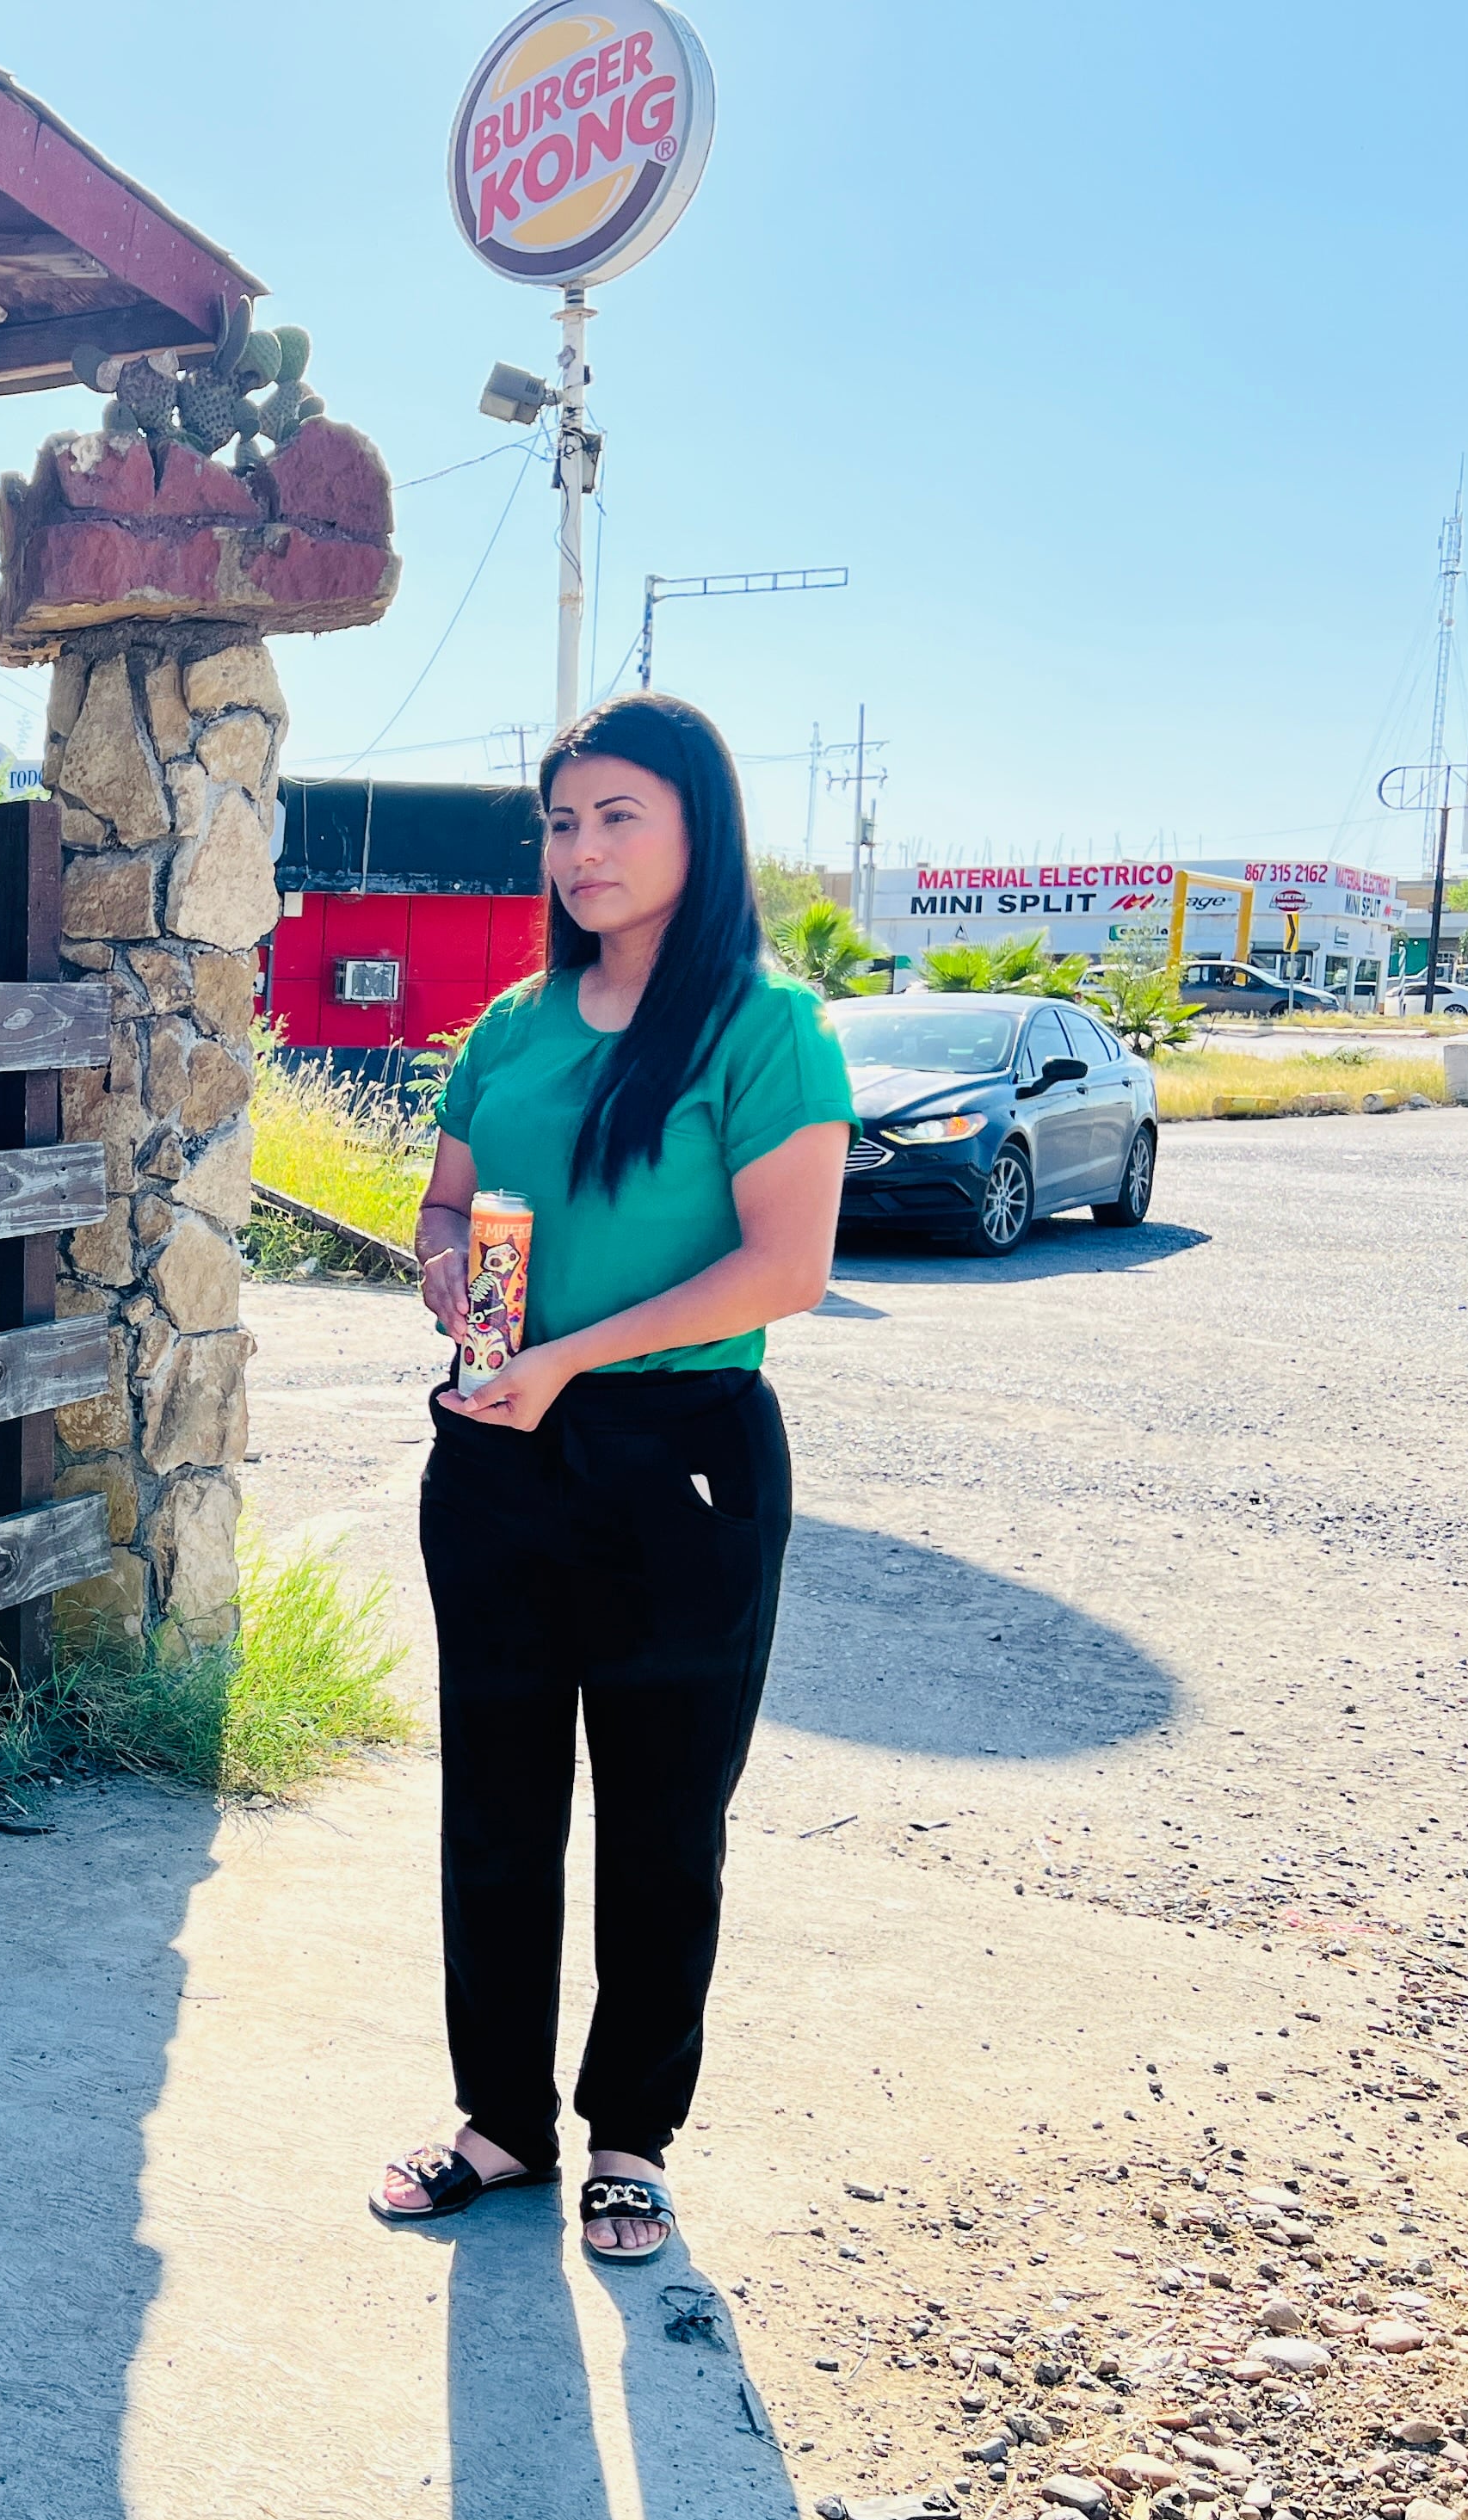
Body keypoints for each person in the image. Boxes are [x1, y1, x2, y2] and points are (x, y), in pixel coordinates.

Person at [371, 693, 856, 2267]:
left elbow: (786, 1267)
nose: (582, 849)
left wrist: (576, 1358)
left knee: (662, 1818)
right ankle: (501, 2123)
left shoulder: (765, 1026)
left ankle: (631, 2135)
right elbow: (442, 1207)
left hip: (680, 1462)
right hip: (496, 1450)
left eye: (618, 815)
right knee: (496, 1800)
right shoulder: (509, 1029)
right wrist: (449, 1280)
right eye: (563, 821)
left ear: (698, 828)